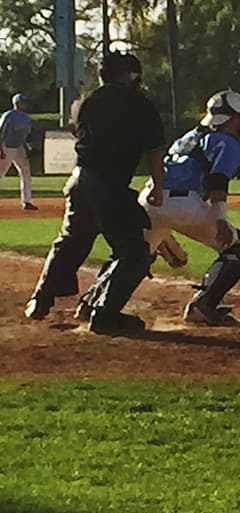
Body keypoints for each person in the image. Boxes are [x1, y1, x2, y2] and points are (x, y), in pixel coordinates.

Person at [24, 51, 166, 334]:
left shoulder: (87, 101)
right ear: (130, 75)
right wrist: (158, 186)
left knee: (72, 240)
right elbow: (155, 150)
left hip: (80, 180)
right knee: (135, 252)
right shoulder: (140, 104)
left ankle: (41, 297)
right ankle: (104, 315)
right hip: (109, 184)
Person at [131, 89, 240, 326]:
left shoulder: (191, 136)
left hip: (149, 198)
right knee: (239, 247)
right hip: (182, 203)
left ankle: (94, 303)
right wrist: (219, 218)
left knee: (133, 258)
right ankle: (203, 305)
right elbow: (217, 182)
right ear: (233, 120)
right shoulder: (227, 141)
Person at [0, 92, 37, 211]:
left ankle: (26, 201)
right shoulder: (9, 115)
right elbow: (1, 132)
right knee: (1, 172)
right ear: (16, 103)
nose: (24, 104)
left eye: (24, 102)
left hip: (19, 147)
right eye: (22, 102)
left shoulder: (26, 118)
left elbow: (26, 135)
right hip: (7, 146)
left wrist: (29, 147)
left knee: (26, 172)